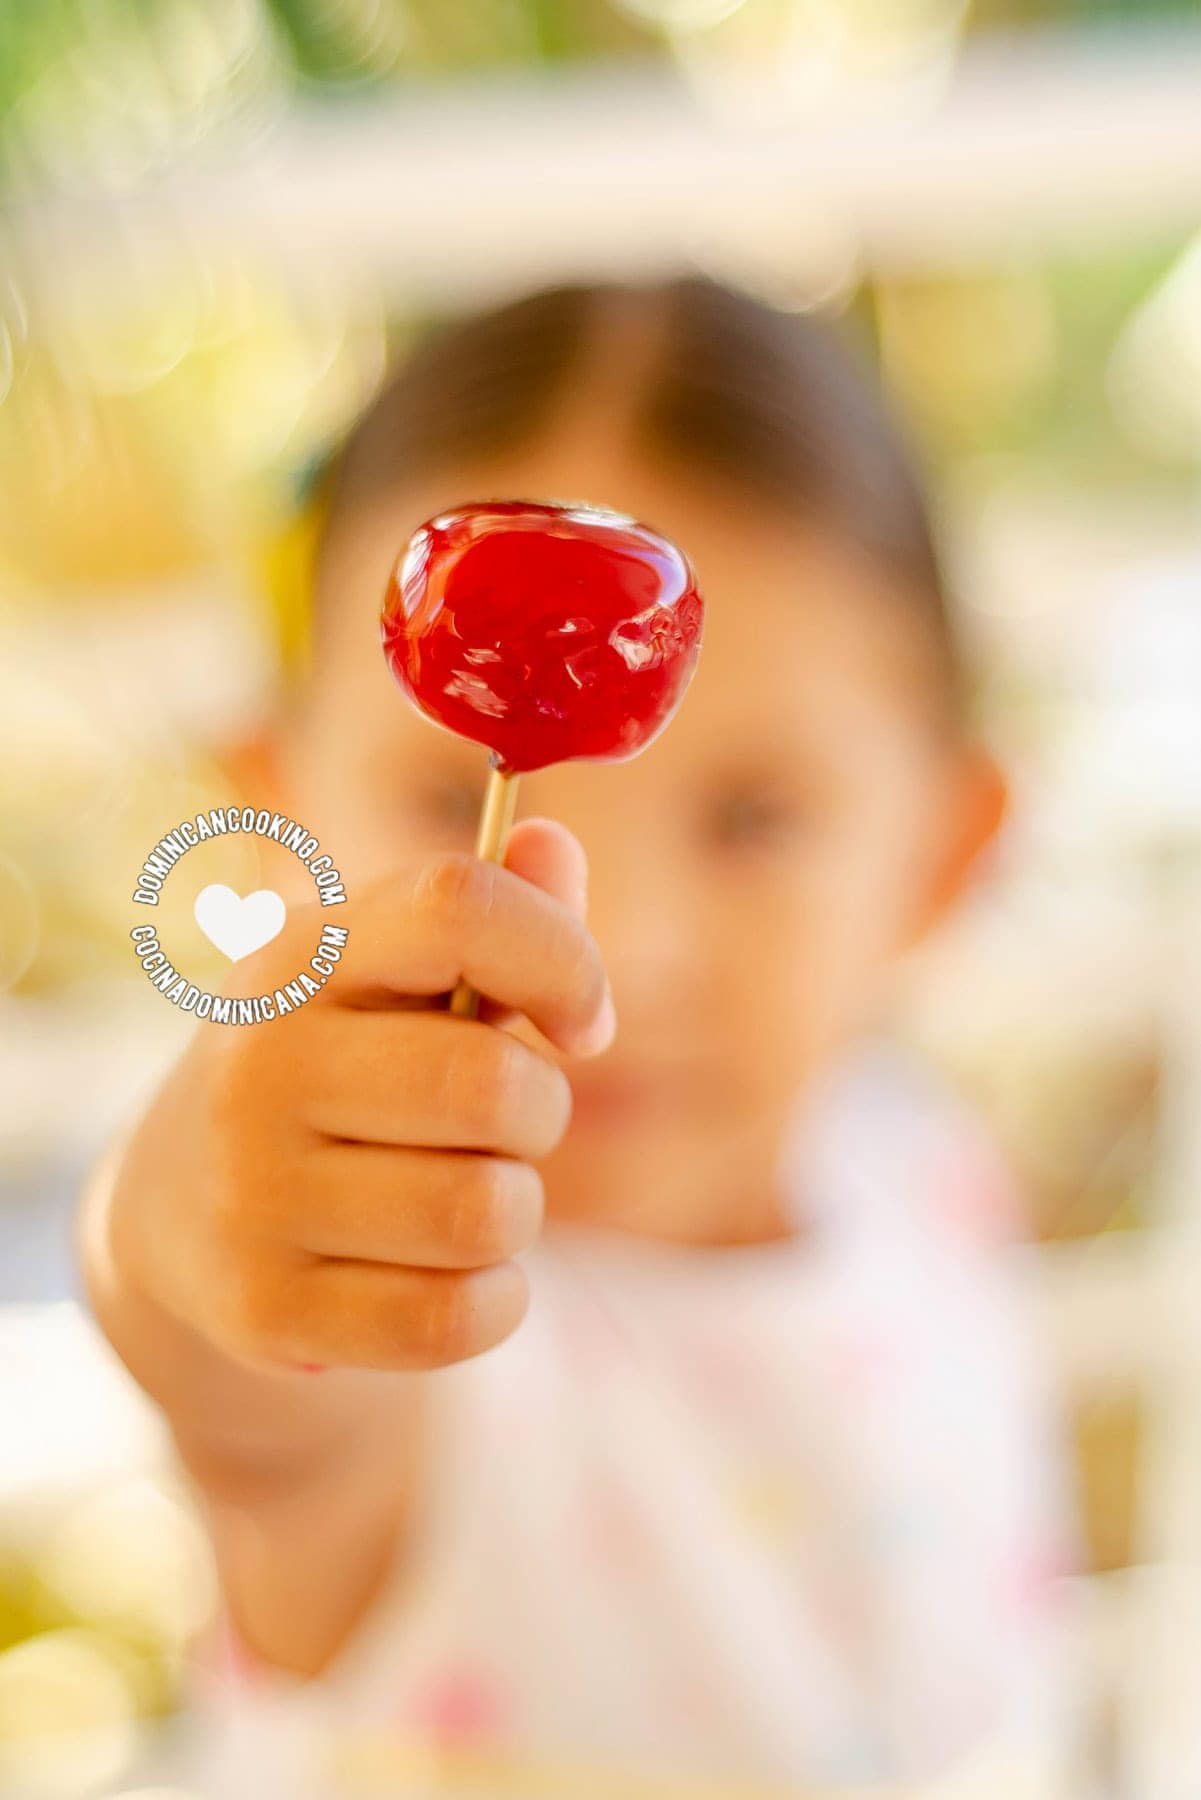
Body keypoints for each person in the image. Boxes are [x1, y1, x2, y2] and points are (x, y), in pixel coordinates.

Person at [78, 277, 1077, 1797]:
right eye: (439, 799)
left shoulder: (922, 1170)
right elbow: (239, 1359)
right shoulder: (417, 1305)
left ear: (942, 854)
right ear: (277, 808)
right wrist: (185, 1228)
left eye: (753, 820)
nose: (607, 938)